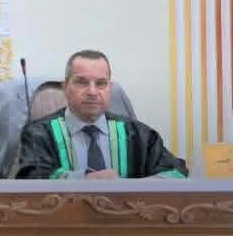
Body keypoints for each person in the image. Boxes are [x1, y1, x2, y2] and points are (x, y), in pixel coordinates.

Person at [17, 50, 186, 179]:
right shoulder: (38, 134)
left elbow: (176, 173)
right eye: (81, 82)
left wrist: (132, 187)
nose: (92, 92)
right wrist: (84, 180)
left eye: (101, 83)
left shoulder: (139, 134)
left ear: (110, 87)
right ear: (65, 87)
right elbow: (30, 178)